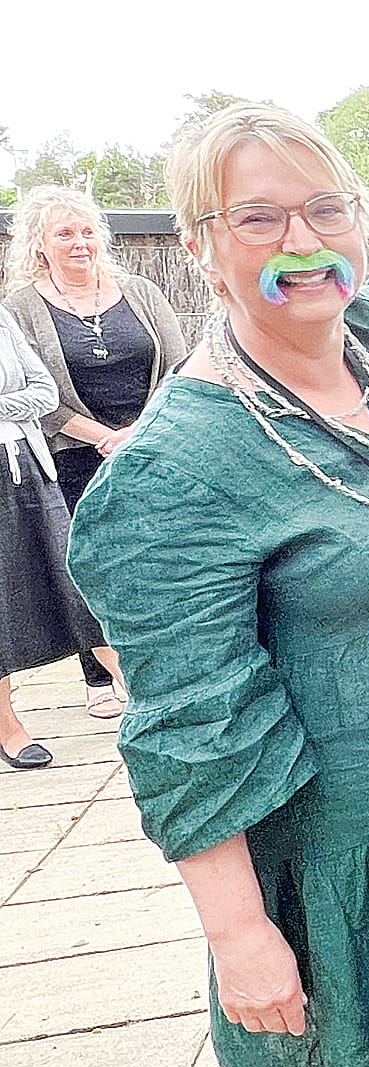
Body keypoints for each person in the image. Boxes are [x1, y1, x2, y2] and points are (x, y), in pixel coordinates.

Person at [66, 103, 369, 1067]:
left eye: (326, 209)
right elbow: (184, 726)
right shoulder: (176, 466)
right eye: (259, 218)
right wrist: (238, 934)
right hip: (351, 836)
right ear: (198, 243)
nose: (303, 243)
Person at [5, 185, 186, 717]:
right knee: (89, 564)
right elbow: (39, 393)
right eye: (64, 233)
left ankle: (172, 662)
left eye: (87, 231)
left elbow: (178, 363)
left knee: (163, 558)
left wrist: (139, 430)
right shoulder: (21, 308)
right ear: (39, 244)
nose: (79, 243)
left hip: (153, 444)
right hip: (72, 455)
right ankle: (98, 675)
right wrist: (101, 436)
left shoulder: (141, 291)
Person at [0, 307, 120, 767]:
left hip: (28, 466)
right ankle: (7, 725)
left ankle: (137, 688)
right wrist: (15, 400)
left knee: (73, 583)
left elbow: (45, 392)